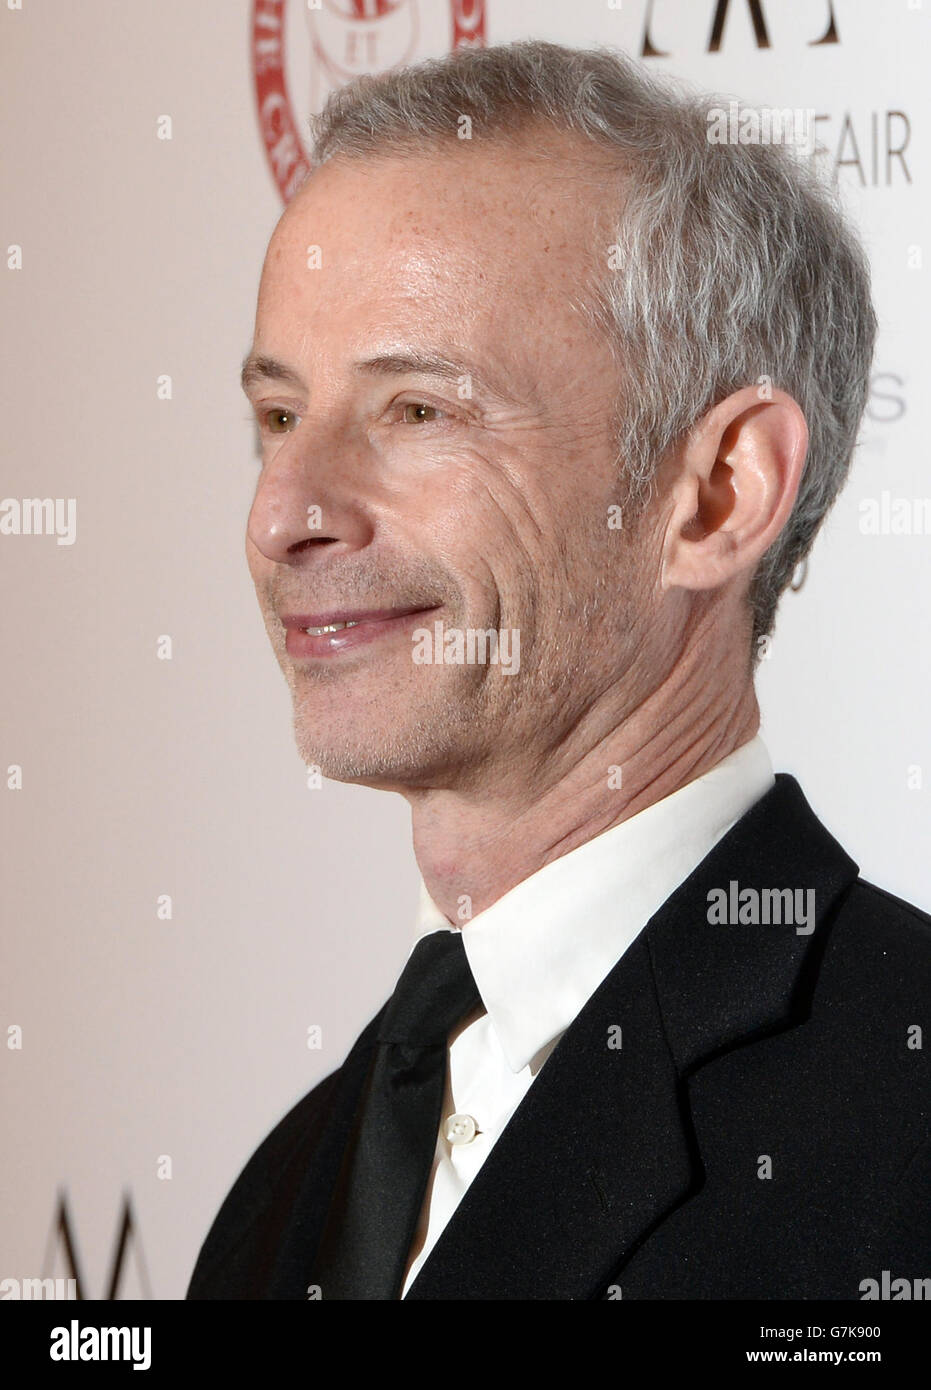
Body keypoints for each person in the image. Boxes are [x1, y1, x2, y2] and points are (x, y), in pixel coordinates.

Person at [187, 39, 931, 1300]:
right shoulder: (284, 1194)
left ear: (716, 494)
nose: (284, 514)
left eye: (416, 410)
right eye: (276, 416)